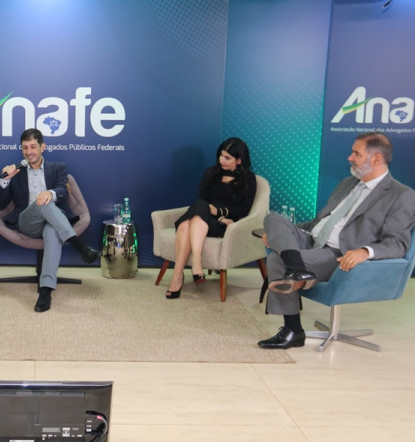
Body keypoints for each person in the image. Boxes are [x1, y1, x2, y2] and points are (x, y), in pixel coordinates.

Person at [259, 132, 415, 349]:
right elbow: (319, 222)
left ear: (376, 159)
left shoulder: (401, 194)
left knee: (277, 260)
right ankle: (298, 269)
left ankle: (293, 330)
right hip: (312, 239)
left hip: (338, 253)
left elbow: (398, 243)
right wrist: (280, 233)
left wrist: (364, 251)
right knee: (272, 218)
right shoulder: (348, 183)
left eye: (356, 153)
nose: (350, 158)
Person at [0, 128, 100, 313]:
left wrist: (50, 193)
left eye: (33, 146)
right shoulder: (16, 173)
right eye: (25, 147)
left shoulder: (58, 168)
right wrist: (5, 181)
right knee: (42, 203)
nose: (29, 152)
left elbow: (63, 191)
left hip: (53, 222)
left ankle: (45, 291)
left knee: (52, 229)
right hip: (27, 223)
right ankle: (80, 246)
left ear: (43, 147)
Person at [164, 137, 256, 299]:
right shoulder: (211, 173)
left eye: (227, 158)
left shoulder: (248, 178)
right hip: (206, 217)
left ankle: (178, 276)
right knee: (198, 207)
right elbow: (203, 201)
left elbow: (245, 208)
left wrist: (220, 213)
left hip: (225, 224)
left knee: (186, 223)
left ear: (239, 160)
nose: (221, 160)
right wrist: (216, 215)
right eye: (221, 155)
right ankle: (193, 265)